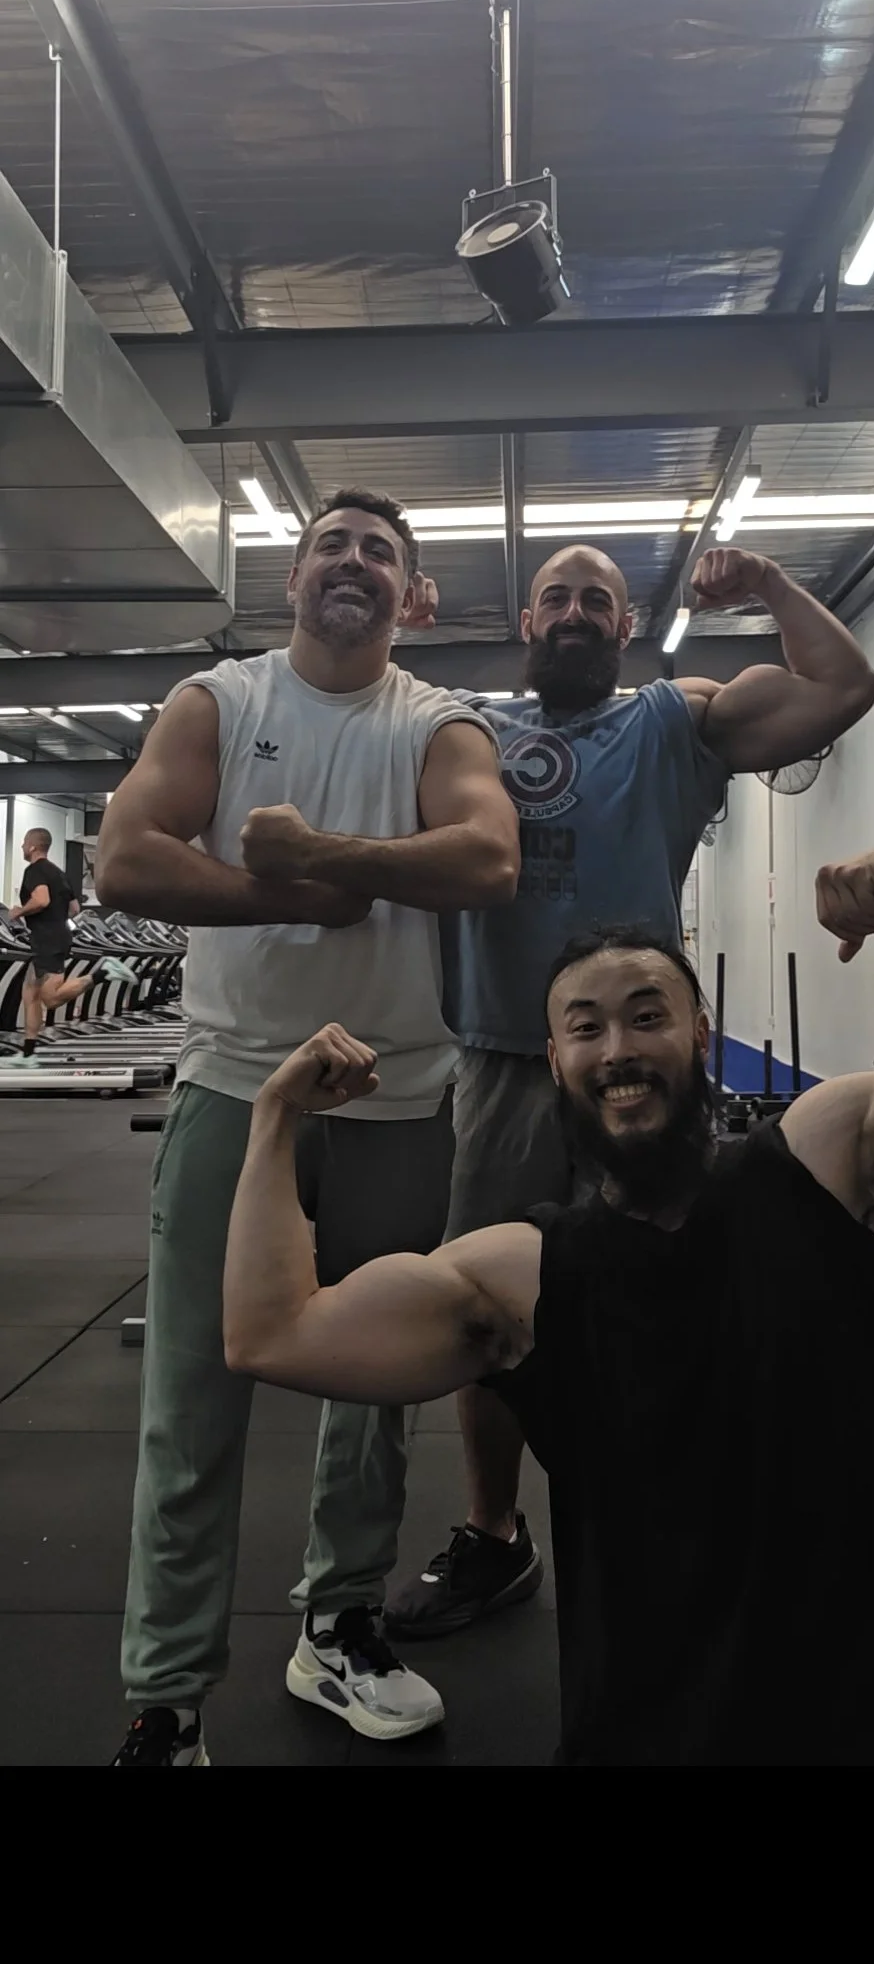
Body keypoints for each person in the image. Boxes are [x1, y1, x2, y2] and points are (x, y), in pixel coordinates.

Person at [223, 844, 874, 1766]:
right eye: (585, 1029)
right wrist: (274, 1117)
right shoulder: (524, 1279)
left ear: (700, 1036)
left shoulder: (831, 1164)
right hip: (661, 1725)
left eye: (647, 1018)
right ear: (554, 1061)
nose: (619, 1049)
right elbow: (273, 1336)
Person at [98, 487, 519, 1768]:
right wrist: (279, 887)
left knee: (376, 1393)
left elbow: (489, 858)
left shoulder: (438, 722)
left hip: (399, 1101)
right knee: (193, 1399)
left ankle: (338, 1629)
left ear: (415, 597)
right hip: (237, 1092)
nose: (354, 563)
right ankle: (167, 1703)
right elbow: (125, 861)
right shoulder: (219, 703)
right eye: (332, 544)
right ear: (293, 578)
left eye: (380, 553)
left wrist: (332, 855)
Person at [389, 537, 874, 1636]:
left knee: (681, 1290)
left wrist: (766, 587)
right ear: (526, 623)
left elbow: (843, 688)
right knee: (485, 1311)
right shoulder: (465, 729)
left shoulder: (671, 720)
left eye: (596, 600)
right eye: (555, 596)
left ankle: (691, 1520)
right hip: (506, 1060)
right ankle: (493, 1535)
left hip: (638, 1069)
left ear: (623, 628)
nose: (573, 610)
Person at [9, 828, 138, 1064]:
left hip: (47, 940)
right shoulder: (59, 873)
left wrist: (19, 912)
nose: (21, 846)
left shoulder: (34, 871)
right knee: (30, 993)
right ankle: (27, 1053)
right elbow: (75, 909)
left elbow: (41, 900)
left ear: (32, 846)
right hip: (55, 936)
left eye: (24, 842)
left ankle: (104, 973)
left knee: (51, 998)